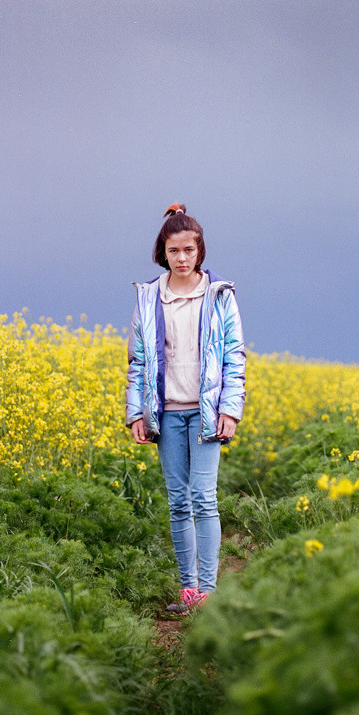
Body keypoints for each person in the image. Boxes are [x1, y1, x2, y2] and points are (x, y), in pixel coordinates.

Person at [126, 203, 246, 612]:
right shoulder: (148, 298)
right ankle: (188, 592)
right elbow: (138, 360)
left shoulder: (219, 295)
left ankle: (208, 592)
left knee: (204, 499)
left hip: (207, 413)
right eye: (173, 251)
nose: (181, 258)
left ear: (200, 251)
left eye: (188, 250)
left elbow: (234, 357)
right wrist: (136, 413)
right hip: (167, 413)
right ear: (162, 252)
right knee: (179, 501)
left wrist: (230, 410)